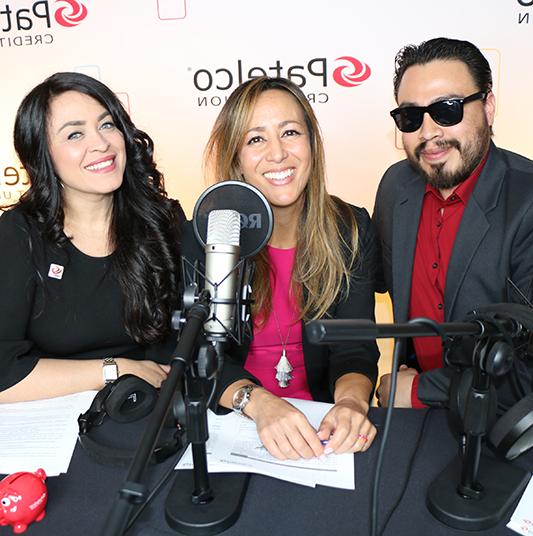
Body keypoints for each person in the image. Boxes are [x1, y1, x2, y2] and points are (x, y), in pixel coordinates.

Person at [182, 76, 380, 460]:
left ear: (312, 144)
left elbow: (354, 349)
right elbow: (197, 356)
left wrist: (352, 405)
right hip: (234, 423)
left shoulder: (350, 228)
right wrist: (257, 403)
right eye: (256, 139)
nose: (277, 154)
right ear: (235, 156)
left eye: (290, 132)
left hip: (321, 430)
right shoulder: (207, 235)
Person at [0, 72, 185, 403]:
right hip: (51, 422)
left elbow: (190, 346)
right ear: (42, 155)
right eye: (74, 135)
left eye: (107, 124)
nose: (100, 144)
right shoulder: (18, 234)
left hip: (146, 412)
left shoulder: (161, 220)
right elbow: (3, 374)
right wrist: (113, 369)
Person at [373, 37, 533, 410]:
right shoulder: (395, 187)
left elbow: (525, 372)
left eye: (447, 110)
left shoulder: (527, 200)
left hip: (507, 433)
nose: (428, 133)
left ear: (488, 106)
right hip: (414, 427)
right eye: (411, 117)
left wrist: (416, 392)